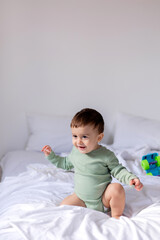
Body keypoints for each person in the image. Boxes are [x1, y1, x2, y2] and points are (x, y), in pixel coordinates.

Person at [42, 108, 143, 219]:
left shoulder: (106, 155)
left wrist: (130, 178)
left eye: (84, 137)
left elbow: (117, 170)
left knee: (117, 189)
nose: (78, 141)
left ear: (99, 137)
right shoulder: (76, 152)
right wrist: (51, 156)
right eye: (75, 136)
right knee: (63, 208)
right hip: (81, 199)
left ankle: (116, 216)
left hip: (102, 200)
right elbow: (65, 163)